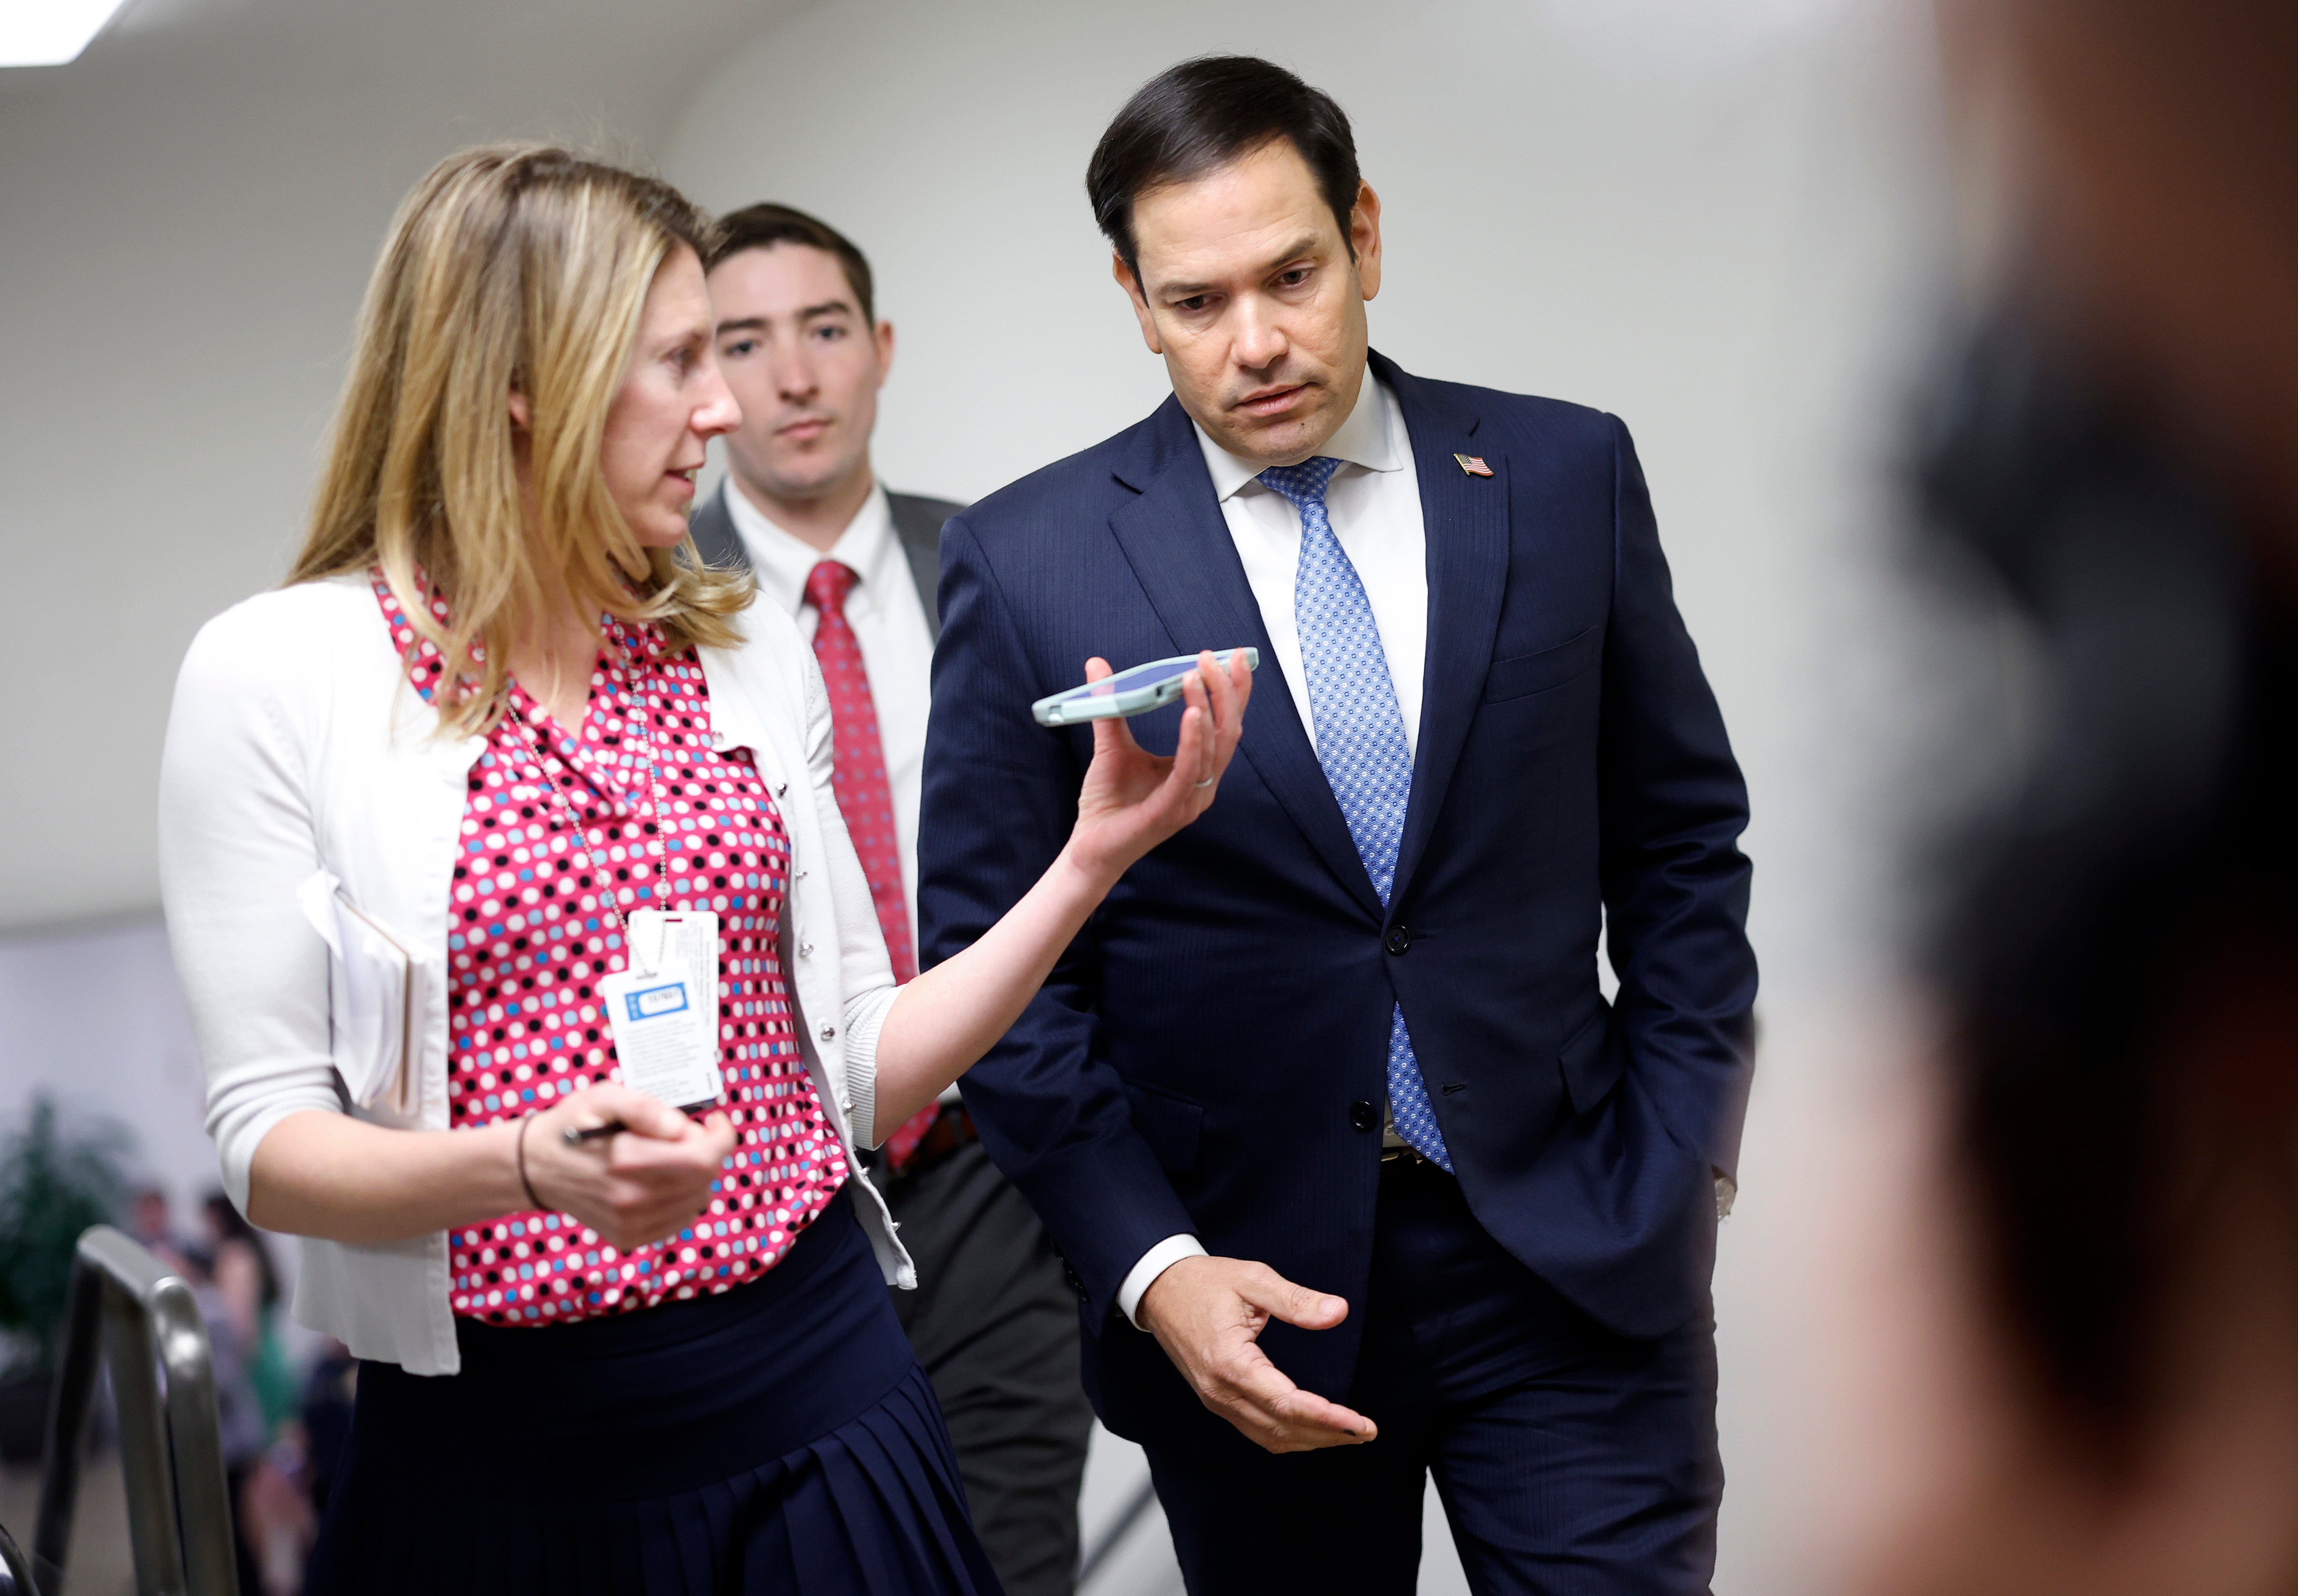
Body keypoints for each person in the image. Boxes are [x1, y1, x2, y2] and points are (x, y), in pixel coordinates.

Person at [157, 143, 1251, 1595]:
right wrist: (527, 1167)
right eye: (680, 360)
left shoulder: (737, 644)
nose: (726, 406)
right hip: (505, 1457)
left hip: (820, 1393)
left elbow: (862, 1068)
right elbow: (269, 1146)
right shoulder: (277, 674)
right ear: (522, 379)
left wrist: (1091, 858)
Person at [919, 56, 1757, 1596]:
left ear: (1365, 236)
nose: (1256, 344)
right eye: (1195, 301)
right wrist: (1155, 1271)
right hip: (1246, 1292)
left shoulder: (1566, 474)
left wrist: (1682, 1154)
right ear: (1133, 297)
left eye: (1293, 275)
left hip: (1576, 1251)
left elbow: (1683, 840)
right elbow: (998, 975)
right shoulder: (1026, 559)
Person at [687, 206, 1093, 1596]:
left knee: (1016, 1560)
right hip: (767, 1202)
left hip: (989, 1170)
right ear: (703, 375)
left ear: (881, 351)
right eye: (746, 341)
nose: (794, 376)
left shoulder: (993, 559)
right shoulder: (644, 601)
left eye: (825, 331)